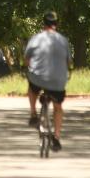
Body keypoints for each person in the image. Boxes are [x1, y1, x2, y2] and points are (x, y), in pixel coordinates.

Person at [25, 11, 72, 151]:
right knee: (58, 108)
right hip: (58, 81)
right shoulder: (63, 40)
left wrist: (28, 67)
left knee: (32, 86)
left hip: (38, 78)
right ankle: (56, 137)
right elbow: (69, 62)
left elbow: (27, 61)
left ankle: (33, 113)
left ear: (44, 24)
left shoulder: (35, 39)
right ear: (56, 24)